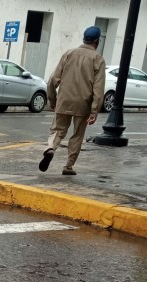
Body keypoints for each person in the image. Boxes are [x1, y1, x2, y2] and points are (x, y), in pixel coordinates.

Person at [39, 26, 106, 176]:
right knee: (77, 134)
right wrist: (95, 110)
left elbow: (52, 79)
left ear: (84, 38)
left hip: (64, 99)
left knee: (58, 130)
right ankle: (68, 166)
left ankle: (50, 148)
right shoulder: (98, 59)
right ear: (97, 41)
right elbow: (98, 87)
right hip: (83, 103)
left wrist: (52, 99)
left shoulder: (68, 54)